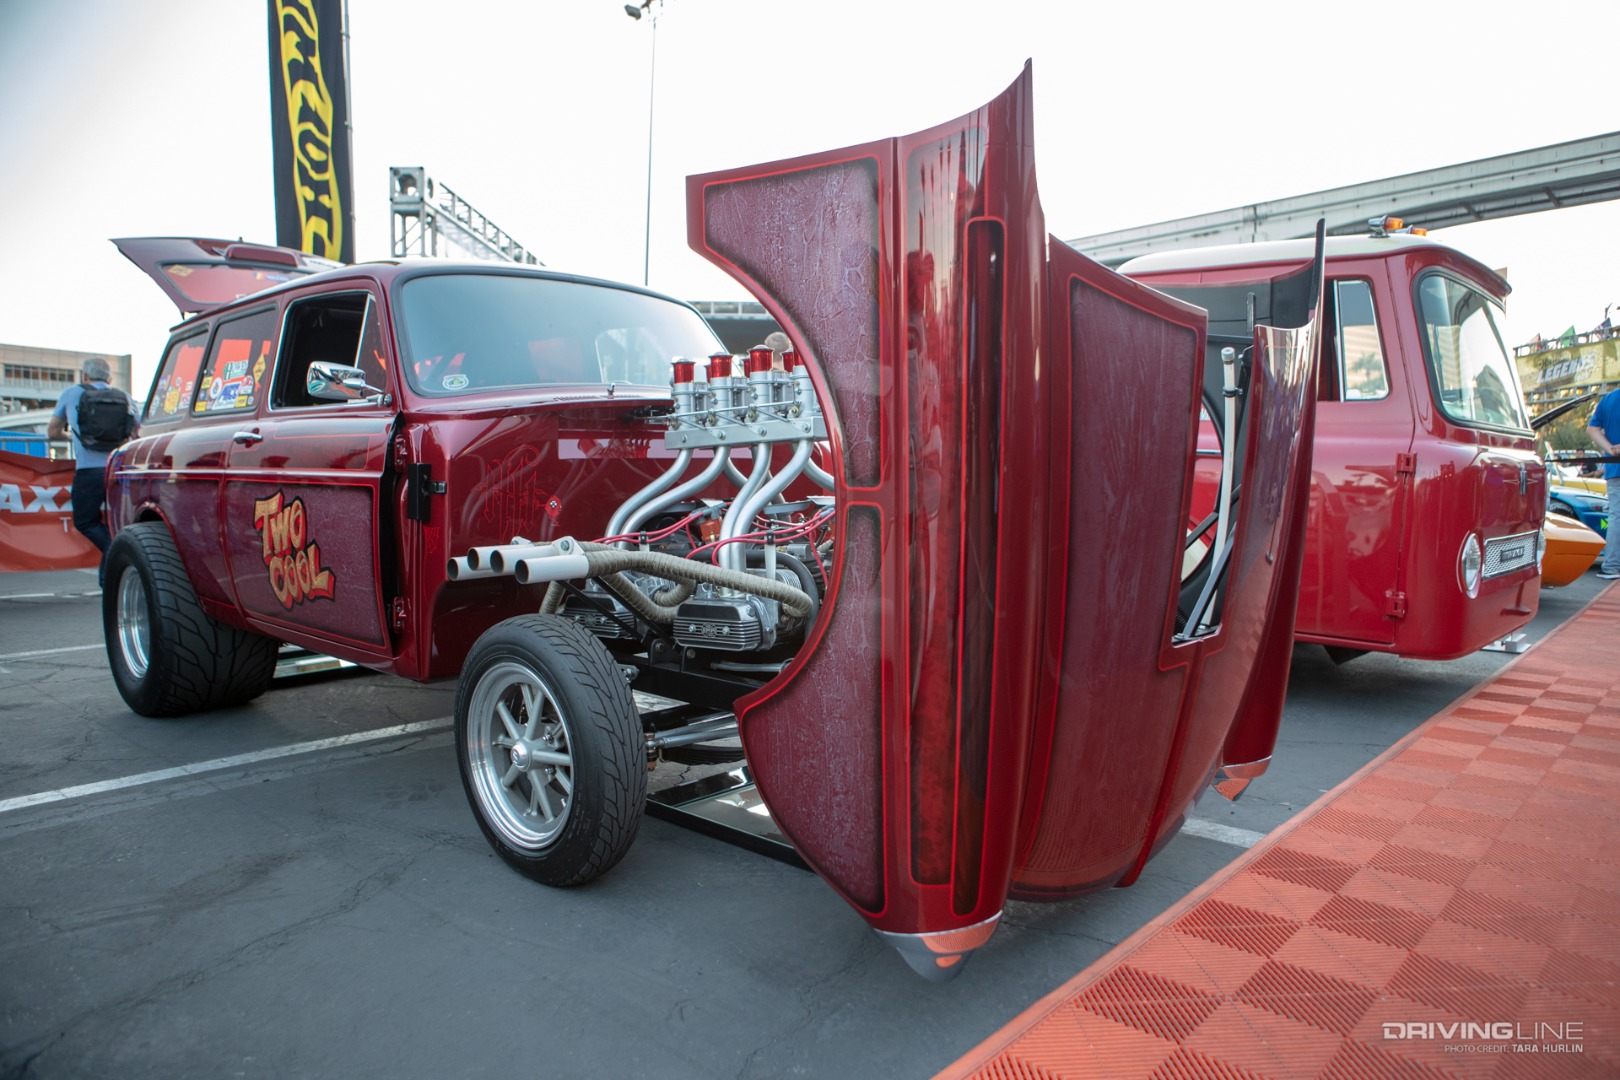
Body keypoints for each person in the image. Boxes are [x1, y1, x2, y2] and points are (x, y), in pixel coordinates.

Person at [47, 357, 138, 578]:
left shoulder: (71, 394)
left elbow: (52, 431)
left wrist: (69, 436)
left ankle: (111, 554)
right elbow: (136, 434)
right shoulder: (124, 397)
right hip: (118, 471)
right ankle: (113, 563)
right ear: (110, 378)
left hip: (88, 471)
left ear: (85, 376)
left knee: (85, 522)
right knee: (121, 522)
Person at [1585, 385, 1620, 579]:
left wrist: (1611, 449)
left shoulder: (1608, 400)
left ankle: (1612, 565)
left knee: (1616, 516)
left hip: (1614, 468)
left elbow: (1592, 429)